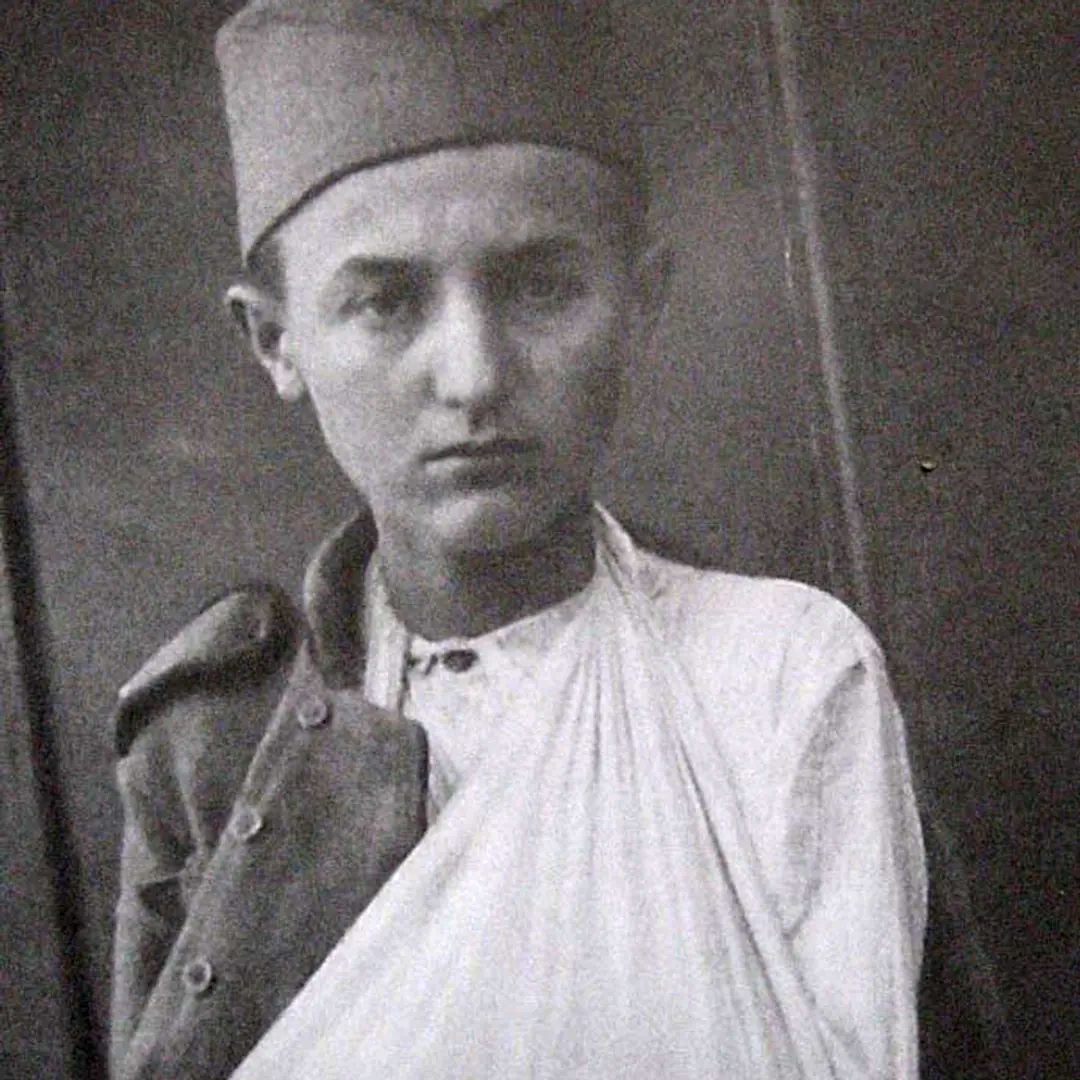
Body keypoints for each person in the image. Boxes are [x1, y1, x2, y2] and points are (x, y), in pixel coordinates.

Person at [109, 2, 926, 1078]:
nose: (475, 376)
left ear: (640, 301)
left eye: (542, 288)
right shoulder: (213, 736)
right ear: (275, 337)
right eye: (385, 302)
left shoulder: (780, 681)